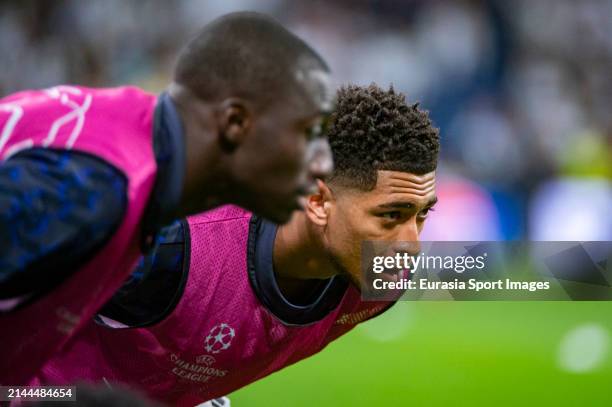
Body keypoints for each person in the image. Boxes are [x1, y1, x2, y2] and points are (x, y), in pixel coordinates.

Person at [30, 84, 439, 406]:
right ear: (317, 201)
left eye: (422, 214)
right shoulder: (173, 244)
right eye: (391, 215)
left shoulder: (380, 277)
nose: (411, 244)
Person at [0, 12, 333, 386]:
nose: (324, 161)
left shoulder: (132, 151)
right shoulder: (93, 189)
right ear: (236, 123)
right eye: (307, 132)